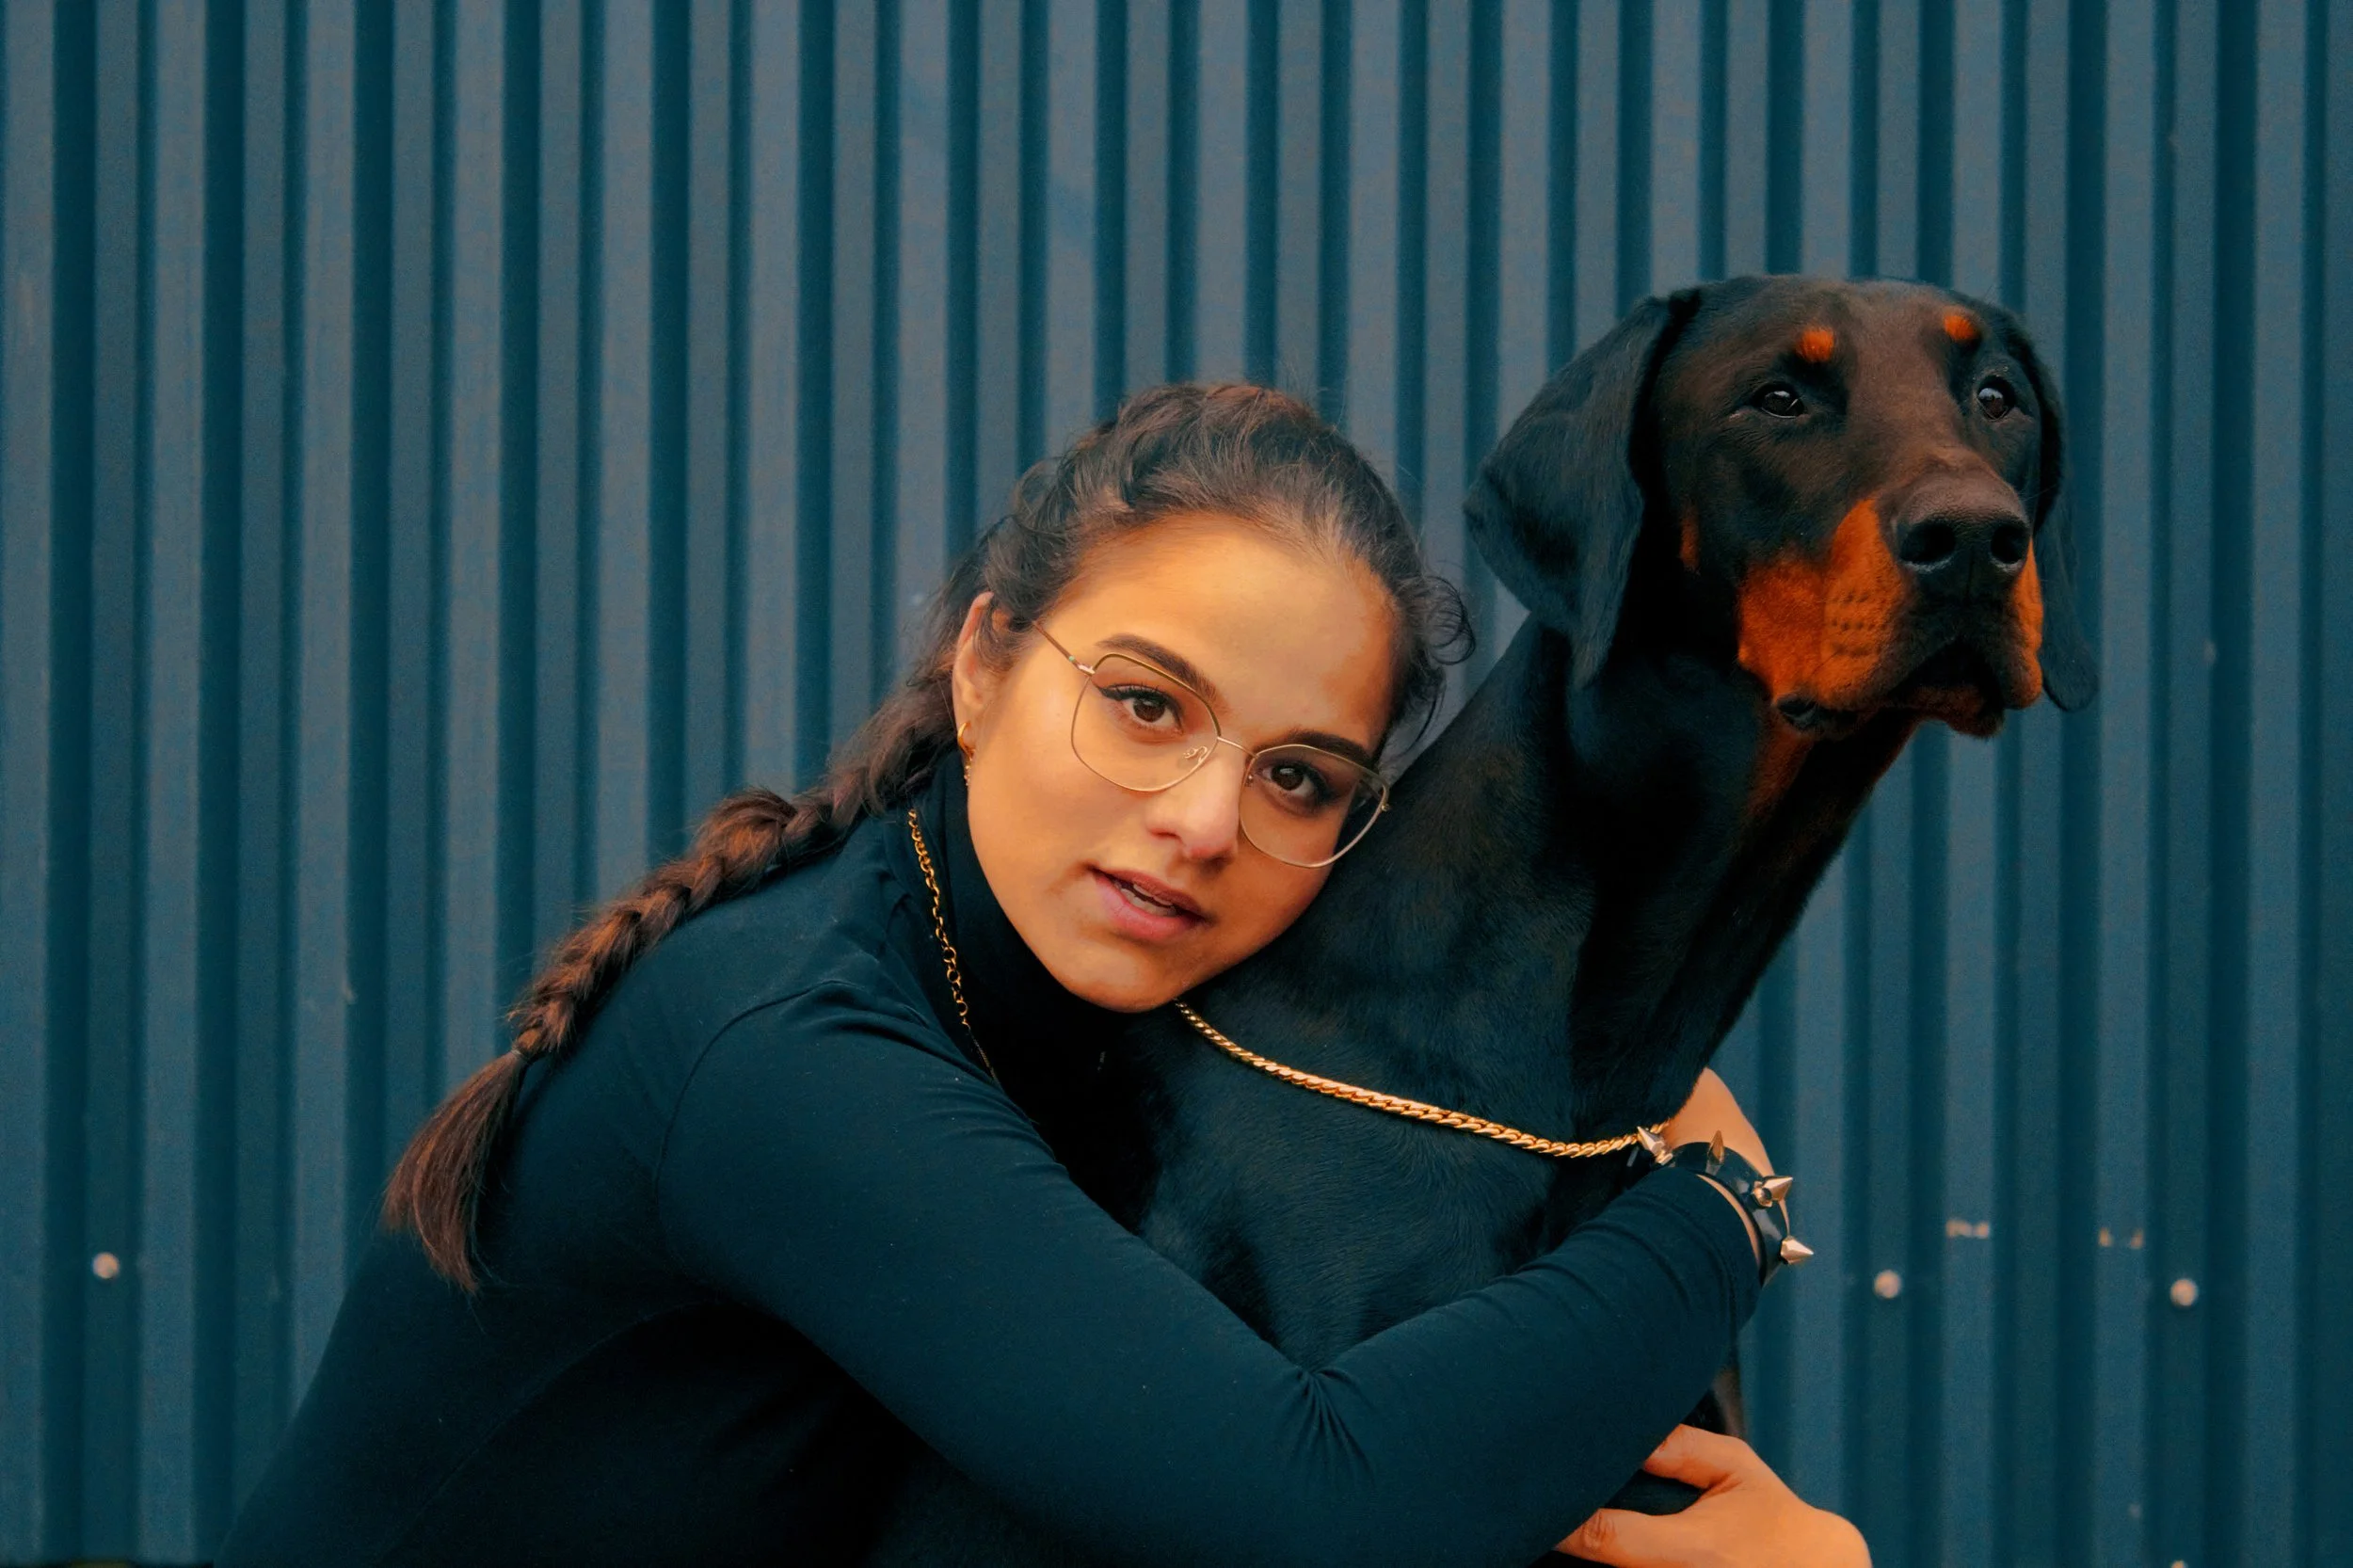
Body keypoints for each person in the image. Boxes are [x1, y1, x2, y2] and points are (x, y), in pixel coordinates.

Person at [216, 384, 1865, 1568]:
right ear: (987, 660)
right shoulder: (789, 1044)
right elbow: (1314, 1500)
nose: (1205, 820)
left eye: (1299, 776)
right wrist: (1721, 1207)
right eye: (1147, 703)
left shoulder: (1073, 1012)